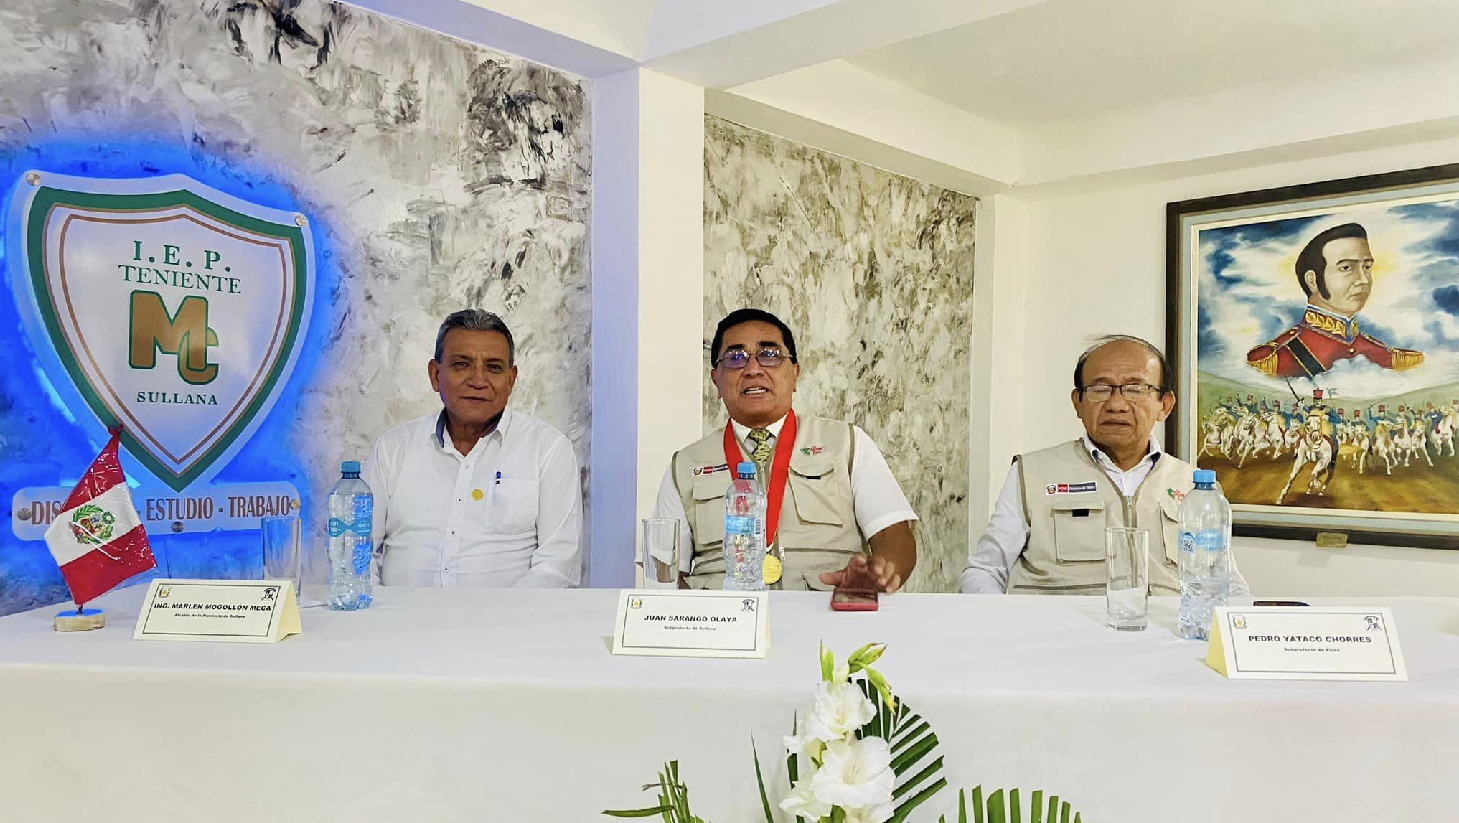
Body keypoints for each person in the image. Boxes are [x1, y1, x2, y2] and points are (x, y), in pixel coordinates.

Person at [961, 335, 1249, 595]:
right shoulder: (1032, 473)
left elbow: (1228, 582)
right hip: (1057, 644)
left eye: (1135, 389)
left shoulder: (1193, 485)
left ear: (1165, 405)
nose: (1117, 404)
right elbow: (984, 571)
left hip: (1168, 642)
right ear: (1078, 402)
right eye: (1100, 389)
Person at [653, 308, 917, 592]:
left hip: (827, 617)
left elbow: (895, 537)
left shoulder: (847, 443)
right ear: (715, 380)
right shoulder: (685, 465)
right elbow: (664, 572)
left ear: (795, 374)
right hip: (727, 624)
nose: (753, 369)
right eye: (735, 357)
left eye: (769, 355)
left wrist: (879, 572)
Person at [364, 309, 582, 587]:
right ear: (435, 374)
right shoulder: (392, 449)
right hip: (398, 624)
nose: (478, 380)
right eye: (461, 365)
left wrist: (496, 624)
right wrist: (378, 620)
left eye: (493, 367)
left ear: (511, 380)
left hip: (509, 625)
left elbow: (557, 567)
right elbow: (356, 553)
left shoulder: (548, 449)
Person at [1247, 223, 1422, 378]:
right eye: (1346, 268)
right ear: (1312, 281)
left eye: (1367, 267)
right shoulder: (1275, 358)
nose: (1363, 279)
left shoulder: (1388, 357)